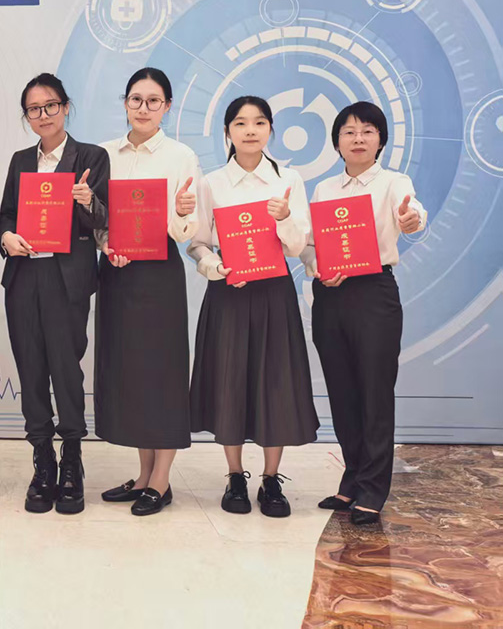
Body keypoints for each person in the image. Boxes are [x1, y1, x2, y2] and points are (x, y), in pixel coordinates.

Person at [187, 95, 318, 518]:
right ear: (227, 131)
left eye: (259, 122)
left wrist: (284, 217)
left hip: (273, 293)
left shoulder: (288, 180)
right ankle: (235, 476)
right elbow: (198, 243)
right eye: (240, 123)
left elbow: (297, 246)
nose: (250, 130)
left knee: (274, 381)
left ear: (270, 130)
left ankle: (271, 478)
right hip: (228, 291)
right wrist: (214, 267)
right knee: (230, 380)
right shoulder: (211, 183)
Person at [302, 102, 425, 526]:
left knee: (374, 391)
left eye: (367, 131)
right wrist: (316, 266)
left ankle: (373, 488)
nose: (358, 138)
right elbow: (311, 244)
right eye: (349, 131)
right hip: (330, 294)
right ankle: (352, 478)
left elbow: (413, 213)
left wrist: (411, 219)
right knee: (342, 391)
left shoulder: (394, 183)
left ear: (380, 140)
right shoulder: (324, 189)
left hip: (373, 292)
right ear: (337, 141)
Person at [0, 72, 109, 515]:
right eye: (33, 109)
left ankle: (72, 462)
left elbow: (103, 221)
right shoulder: (20, 160)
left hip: (67, 279)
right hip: (25, 276)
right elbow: (6, 214)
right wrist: (6, 237)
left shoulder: (91, 157)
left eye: (50, 106)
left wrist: (86, 200)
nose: (42, 115)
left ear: (65, 107)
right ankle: (42, 460)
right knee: (30, 368)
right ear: (26, 116)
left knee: (65, 368)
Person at [94, 68, 201, 516]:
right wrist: (106, 244)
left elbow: (187, 231)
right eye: (136, 99)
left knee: (162, 372)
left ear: (167, 107)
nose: (143, 108)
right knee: (131, 373)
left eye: (153, 101)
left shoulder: (181, 156)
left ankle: (162, 480)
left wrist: (182, 212)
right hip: (117, 273)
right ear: (125, 103)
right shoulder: (103, 153)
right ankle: (142, 475)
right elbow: (97, 216)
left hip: (159, 275)